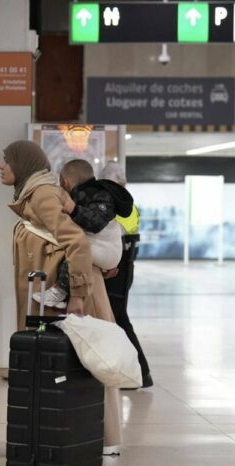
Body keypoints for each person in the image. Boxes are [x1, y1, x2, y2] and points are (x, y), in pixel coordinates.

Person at [0, 140, 122, 455]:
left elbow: (77, 243)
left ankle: (98, 440)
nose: (0, 167)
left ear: (22, 164)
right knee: (71, 364)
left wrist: (78, 295)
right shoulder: (35, 195)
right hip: (51, 296)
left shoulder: (42, 195)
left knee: (86, 363)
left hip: (65, 299)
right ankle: (70, 436)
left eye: (6, 161)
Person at [33, 159, 133, 309]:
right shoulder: (88, 194)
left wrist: (74, 209)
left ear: (65, 182)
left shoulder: (100, 195)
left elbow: (96, 223)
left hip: (108, 250)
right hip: (105, 250)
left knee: (77, 251)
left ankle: (59, 292)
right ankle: (63, 295)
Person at [102, 164, 153, 389]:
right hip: (122, 267)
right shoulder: (127, 203)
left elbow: (110, 233)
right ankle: (134, 371)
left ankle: (141, 372)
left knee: (119, 318)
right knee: (116, 318)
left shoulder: (121, 205)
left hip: (119, 269)